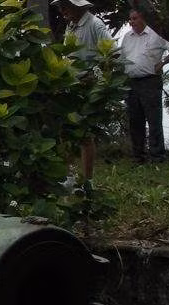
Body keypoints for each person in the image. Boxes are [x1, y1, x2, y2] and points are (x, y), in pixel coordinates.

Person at [52, 0, 112, 186]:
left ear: (77, 5)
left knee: (85, 134)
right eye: (60, 7)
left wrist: (95, 76)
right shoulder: (71, 26)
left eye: (65, 6)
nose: (62, 11)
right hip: (71, 84)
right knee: (67, 131)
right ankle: (69, 176)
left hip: (88, 85)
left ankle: (88, 181)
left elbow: (111, 54)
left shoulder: (95, 24)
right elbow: (68, 57)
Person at [121, 9, 169, 163]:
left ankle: (157, 156)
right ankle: (138, 157)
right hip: (131, 82)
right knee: (135, 120)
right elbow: (121, 58)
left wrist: (163, 62)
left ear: (143, 18)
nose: (131, 22)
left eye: (134, 18)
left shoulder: (156, 34)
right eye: (130, 19)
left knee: (153, 119)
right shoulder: (127, 37)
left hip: (150, 81)